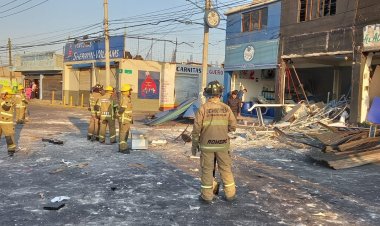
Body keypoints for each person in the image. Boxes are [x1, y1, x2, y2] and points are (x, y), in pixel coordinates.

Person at [191, 80, 237, 203]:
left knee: (207, 170)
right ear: (220, 95)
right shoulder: (226, 108)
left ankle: (207, 197)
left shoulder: (203, 108)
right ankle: (231, 195)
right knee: (226, 169)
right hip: (222, 145)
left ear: (207, 95)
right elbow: (233, 126)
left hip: (207, 146)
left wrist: (194, 146)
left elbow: (196, 129)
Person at [0, 86, 17, 156]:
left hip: (7, 123)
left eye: (3, 93)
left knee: (9, 137)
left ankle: (11, 150)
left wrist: (2, 100)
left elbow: (6, 107)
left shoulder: (11, 100)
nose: (1, 95)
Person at [117, 84, 133, 153]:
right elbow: (122, 108)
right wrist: (118, 114)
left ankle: (123, 146)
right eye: (130, 91)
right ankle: (122, 148)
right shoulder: (125, 98)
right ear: (126, 91)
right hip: (124, 119)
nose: (130, 92)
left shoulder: (126, 98)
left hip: (126, 119)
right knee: (123, 133)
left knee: (125, 133)